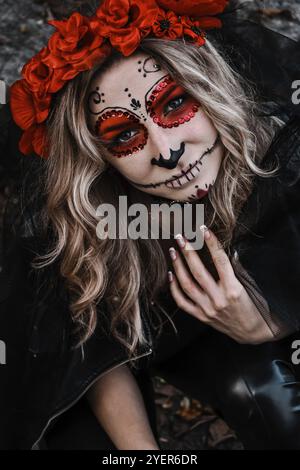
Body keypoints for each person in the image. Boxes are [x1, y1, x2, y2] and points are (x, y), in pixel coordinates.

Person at [1, 0, 300, 450]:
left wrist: (272, 324)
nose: (167, 150)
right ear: (99, 160)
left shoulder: (287, 166)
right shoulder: (107, 218)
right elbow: (84, 343)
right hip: (193, 344)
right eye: (124, 134)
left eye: (175, 103)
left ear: (209, 88)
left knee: (274, 399)